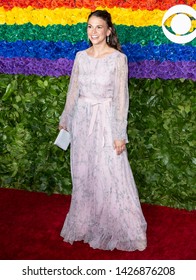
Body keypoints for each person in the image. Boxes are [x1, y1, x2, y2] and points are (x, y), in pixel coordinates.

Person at [59, 10, 147, 251]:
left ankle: (120, 224)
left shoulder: (118, 59)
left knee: (111, 171)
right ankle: (86, 223)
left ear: (109, 30)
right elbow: (72, 90)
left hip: (107, 122)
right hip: (82, 121)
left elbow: (121, 99)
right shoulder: (80, 57)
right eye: (90, 27)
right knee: (84, 171)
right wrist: (66, 118)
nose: (93, 32)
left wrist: (120, 133)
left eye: (99, 27)